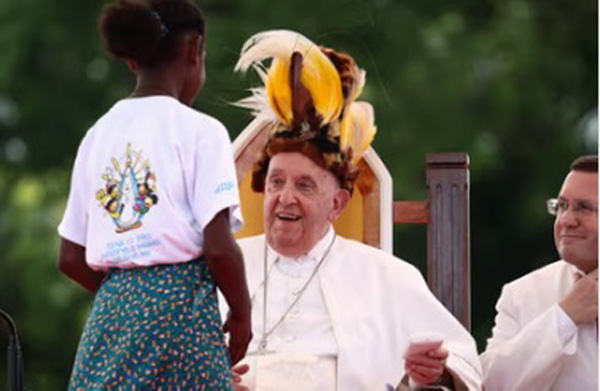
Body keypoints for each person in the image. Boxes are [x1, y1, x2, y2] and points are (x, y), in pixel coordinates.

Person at [222, 30, 483, 391]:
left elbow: (462, 360)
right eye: (276, 182)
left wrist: (432, 373)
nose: (285, 198)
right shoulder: (217, 271)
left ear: (338, 204)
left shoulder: (388, 276)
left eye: (304, 185)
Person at [57, 1, 251, 389]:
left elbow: (70, 257)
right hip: (182, 315)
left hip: (110, 318)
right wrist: (242, 315)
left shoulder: (97, 134)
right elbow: (217, 247)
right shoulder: (201, 130)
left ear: (132, 61)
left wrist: (131, 297)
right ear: (194, 50)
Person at [480, 155, 598, 391]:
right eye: (561, 206)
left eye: (583, 208)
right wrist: (564, 318)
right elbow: (491, 384)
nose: (565, 220)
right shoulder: (520, 295)